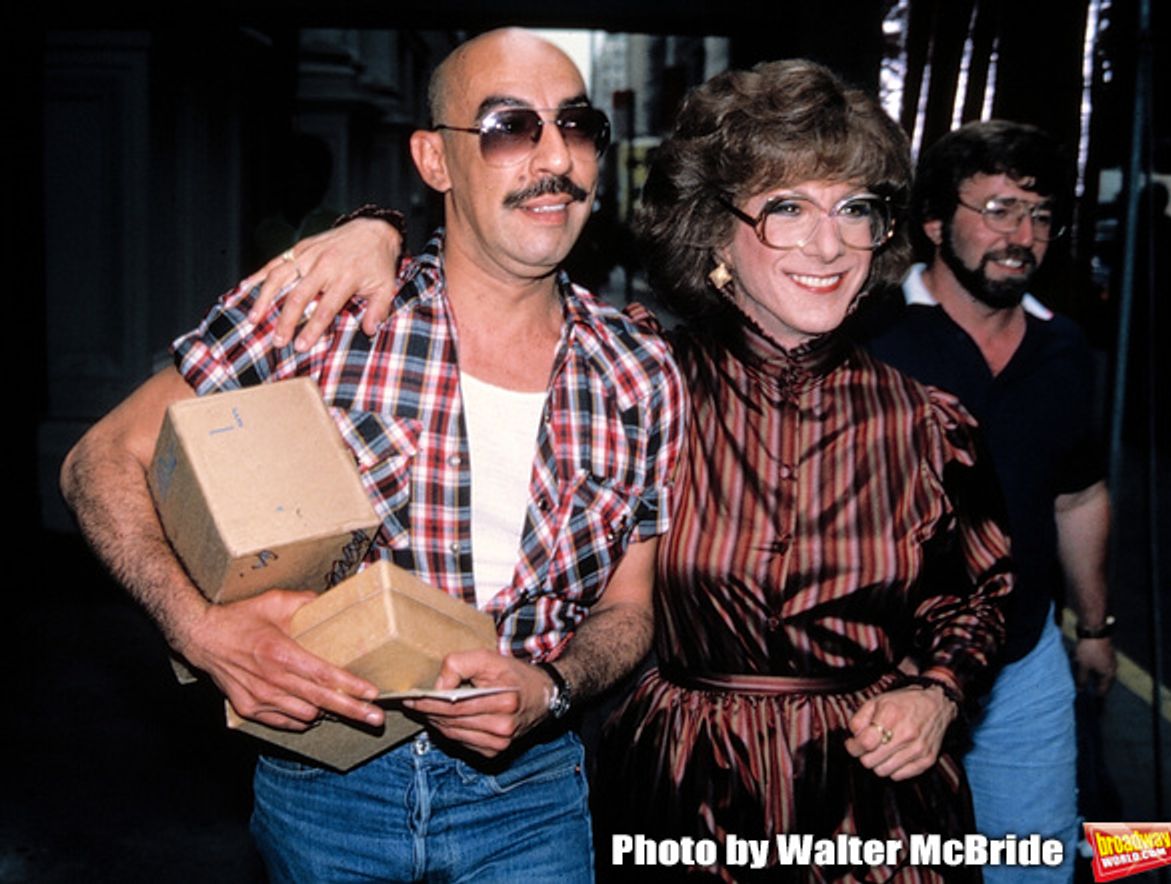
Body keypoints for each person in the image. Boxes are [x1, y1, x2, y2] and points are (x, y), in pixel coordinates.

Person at [256, 60, 1015, 882]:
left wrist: (939, 692)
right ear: (714, 231)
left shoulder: (929, 424)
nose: (828, 245)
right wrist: (376, 229)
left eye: (855, 208)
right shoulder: (640, 382)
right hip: (689, 796)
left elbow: (977, 595)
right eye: (788, 208)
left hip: (870, 807)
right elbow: (494, 277)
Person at [60, 28, 685, 883]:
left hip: (532, 802)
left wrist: (552, 688)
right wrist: (198, 630)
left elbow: (630, 605)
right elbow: (99, 459)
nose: (554, 158)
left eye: (577, 126)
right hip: (328, 789)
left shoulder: (640, 371)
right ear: (434, 160)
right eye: (508, 126)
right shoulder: (329, 311)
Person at [859, 120, 1116, 882]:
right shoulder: (871, 337)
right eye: (999, 210)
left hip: (1021, 662)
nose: (1022, 237)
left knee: (1033, 861)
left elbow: (1078, 496)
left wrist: (1094, 628)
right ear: (936, 223)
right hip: (888, 664)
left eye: (1039, 216)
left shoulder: (1063, 347)